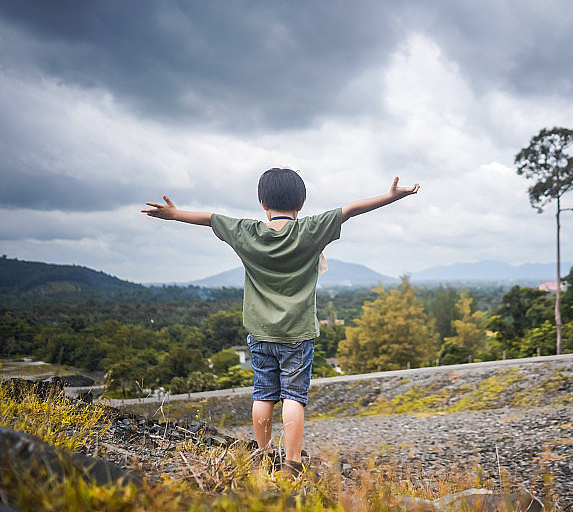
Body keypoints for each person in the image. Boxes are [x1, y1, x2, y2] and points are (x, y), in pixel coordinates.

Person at [142, 168, 419, 476]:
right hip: (297, 335)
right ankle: (292, 463)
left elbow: (209, 218)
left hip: (260, 335)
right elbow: (352, 210)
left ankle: (263, 457)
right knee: (293, 398)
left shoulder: (247, 232)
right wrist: (392, 197)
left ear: (262, 202)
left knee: (263, 395)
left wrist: (174, 214)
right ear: (301, 203)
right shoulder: (310, 230)